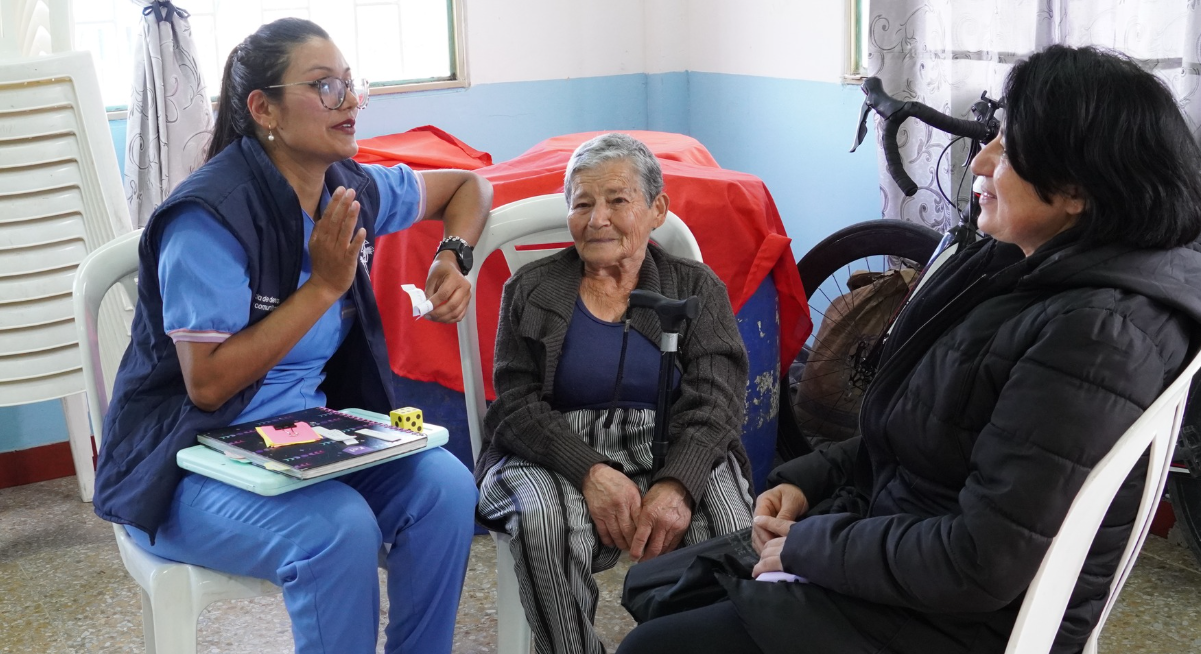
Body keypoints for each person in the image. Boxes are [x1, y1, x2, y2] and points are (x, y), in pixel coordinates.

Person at [617, 45, 1201, 654]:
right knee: (657, 584)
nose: (980, 162)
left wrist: (809, 546)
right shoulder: (1024, 271)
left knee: (656, 640)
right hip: (909, 548)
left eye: (1008, 148)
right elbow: (927, 431)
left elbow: (980, 561)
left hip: (958, 619)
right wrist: (813, 481)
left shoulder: (1096, 335)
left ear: (1077, 189)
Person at [92, 18, 491, 654]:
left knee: (445, 489)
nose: (349, 102)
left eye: (349, 84)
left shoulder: (346, 188)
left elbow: (470, 186)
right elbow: (208, 384)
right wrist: (324, 288)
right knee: (339, 530)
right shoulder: (210, 218)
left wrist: (453, 253)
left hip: (301, 442)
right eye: (323, 86)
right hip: (183, 464)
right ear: (263, 109)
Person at [475, 132, 756, 654]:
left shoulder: (695, 288)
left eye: (617, 200)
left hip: (670, 443)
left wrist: (677, 484)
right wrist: (589, 470)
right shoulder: (533, 289)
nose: (597, 217)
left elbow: (717, 403)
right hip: (555, 452)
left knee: (726, 518)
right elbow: (515, 405)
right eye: (582, 203)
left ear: (656, 210)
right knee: (542, 516)